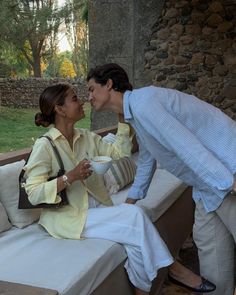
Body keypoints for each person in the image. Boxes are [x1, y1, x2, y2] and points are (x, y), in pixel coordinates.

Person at [24, 83, 206, 295]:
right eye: (74, 98)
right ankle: (172, 267)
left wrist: (121, 117)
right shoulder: (45, 145)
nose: (82, 101)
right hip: (70, 217)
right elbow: (33, 193)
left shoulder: (86, 137)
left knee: (136, 243)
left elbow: (120, 153)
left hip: (97, 207)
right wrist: (69, 177)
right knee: (135, 213)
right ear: (59, 109)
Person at [86, 63, 236, 295]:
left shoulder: (145, 103)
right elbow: (147, 159)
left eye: (92, 89)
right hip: (207, 186)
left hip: (228, 170)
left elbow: (187, 147)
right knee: (211, 251)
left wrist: (228, 182)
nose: (89, 97)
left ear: (109, 84)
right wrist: (129, 204)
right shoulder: (135, 113)